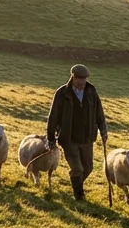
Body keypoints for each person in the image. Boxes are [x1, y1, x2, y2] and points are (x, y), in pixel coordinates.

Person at [45, 64, 108, 201]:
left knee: (88, 168)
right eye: (79, 79)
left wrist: (103, 130)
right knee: (78, 169)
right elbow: (53, 116)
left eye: (84, 79)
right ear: (72, 77)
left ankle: (76, 182)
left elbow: (99, 113)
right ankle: (79, 195)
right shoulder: (62, 93)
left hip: (87, 138)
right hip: (69, 139)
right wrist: (50, 138)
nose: (82, 82)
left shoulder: (91, 92)